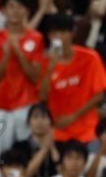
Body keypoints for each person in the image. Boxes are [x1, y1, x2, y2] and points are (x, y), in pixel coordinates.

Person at [0, 0, 44, 157]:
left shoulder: (36, 38)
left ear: (27, 11)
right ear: (3, 10)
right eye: (11, 6)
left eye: (20, 7)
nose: (15, 11)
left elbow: (35, 76)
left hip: (25, 105)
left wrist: (19, 53)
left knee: (25, 153)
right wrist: (5, 56)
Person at [39, 14, 106, 144]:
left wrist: (72, 117)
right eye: (54, 33)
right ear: (48, 36)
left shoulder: (90, 57)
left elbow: (99, 95)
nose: (58, 37)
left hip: (88, 131)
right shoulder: (44, 62)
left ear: (72, 33)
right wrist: (49, 69)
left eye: (63, 32)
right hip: (58, 132)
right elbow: (42, 97)